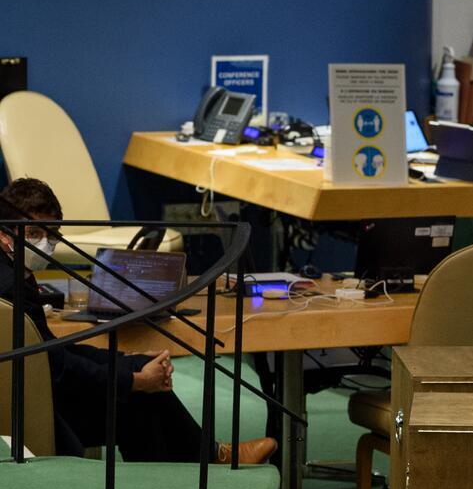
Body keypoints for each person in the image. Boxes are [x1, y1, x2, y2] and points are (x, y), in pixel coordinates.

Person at [0, 177, 276, 464]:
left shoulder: (13, 272)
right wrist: (133, 380)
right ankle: (210, 456)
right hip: (34, 406)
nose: (45, 243)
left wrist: (127, 361)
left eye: (52, 234)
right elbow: (58, 368)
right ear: (4, 233)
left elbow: (55, 351)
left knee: (140, 374)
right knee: (140, 399)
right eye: (33, 233)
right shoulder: (9, 287)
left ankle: (202, 458)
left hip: (38, 385)